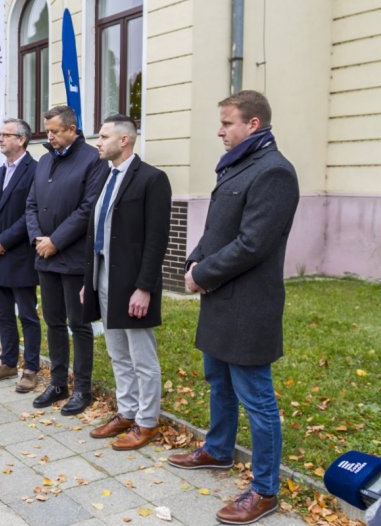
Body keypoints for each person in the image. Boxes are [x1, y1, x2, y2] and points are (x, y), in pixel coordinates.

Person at [167, 90, 299, 525]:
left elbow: (253, 244)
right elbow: (219, 227)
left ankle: (264, 491)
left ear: (253, 125)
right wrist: (194, 259)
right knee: (218, 382)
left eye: (227, 123)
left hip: (249, 305)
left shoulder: (275, 172)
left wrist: (202, 275)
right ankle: (218, 450)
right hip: (220, 299)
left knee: (257, 397)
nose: (220, 131)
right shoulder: (239, 164)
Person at [81, 114, 171, 450]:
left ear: (125, 141)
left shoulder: (152, 179)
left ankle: (147, 421)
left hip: (133, 281)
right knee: (117, 350)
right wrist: (87, 279)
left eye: (103, 137)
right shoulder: (105, 177)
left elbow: (156, 238)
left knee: (141, 355)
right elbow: (96, 230)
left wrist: (144, 286)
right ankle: (127, 411)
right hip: (103, 275)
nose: (97, 143)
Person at [26, 105, 108, 416]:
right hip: (44, 256)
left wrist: (56, 241)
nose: (49, 136)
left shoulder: (92, 159)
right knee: (54, 321)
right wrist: (38, 239)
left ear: (72, 130)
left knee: (79, 324)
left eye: (55, 131)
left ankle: (82, 389)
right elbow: (31, 204)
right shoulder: (45, 160)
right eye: (47, 131)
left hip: (73, 257)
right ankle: (58, 383)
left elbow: (88, 208)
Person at [0, 118, 41, 393]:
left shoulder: (35, 171)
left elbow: (32, 214)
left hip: (19, 256)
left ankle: (31, 368)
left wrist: (4, 240)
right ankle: (7, 362)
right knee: (3, 314)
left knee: (27, 315)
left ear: (22, 139)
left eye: (6, 135)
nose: (0, 139)